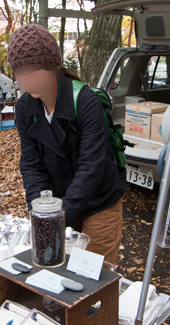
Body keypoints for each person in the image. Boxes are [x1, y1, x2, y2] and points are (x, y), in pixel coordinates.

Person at [7, 24, 126, 265]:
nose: (25, 79)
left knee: (94, 274)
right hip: (57, 200)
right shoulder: (25, 108)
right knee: (56, 270)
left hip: (98, 201)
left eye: (33, 70)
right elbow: (31, 165)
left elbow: (91, 167)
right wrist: (40, 215)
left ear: (53, 67)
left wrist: (59, 219)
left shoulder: (85, 101)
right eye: (20, 71)